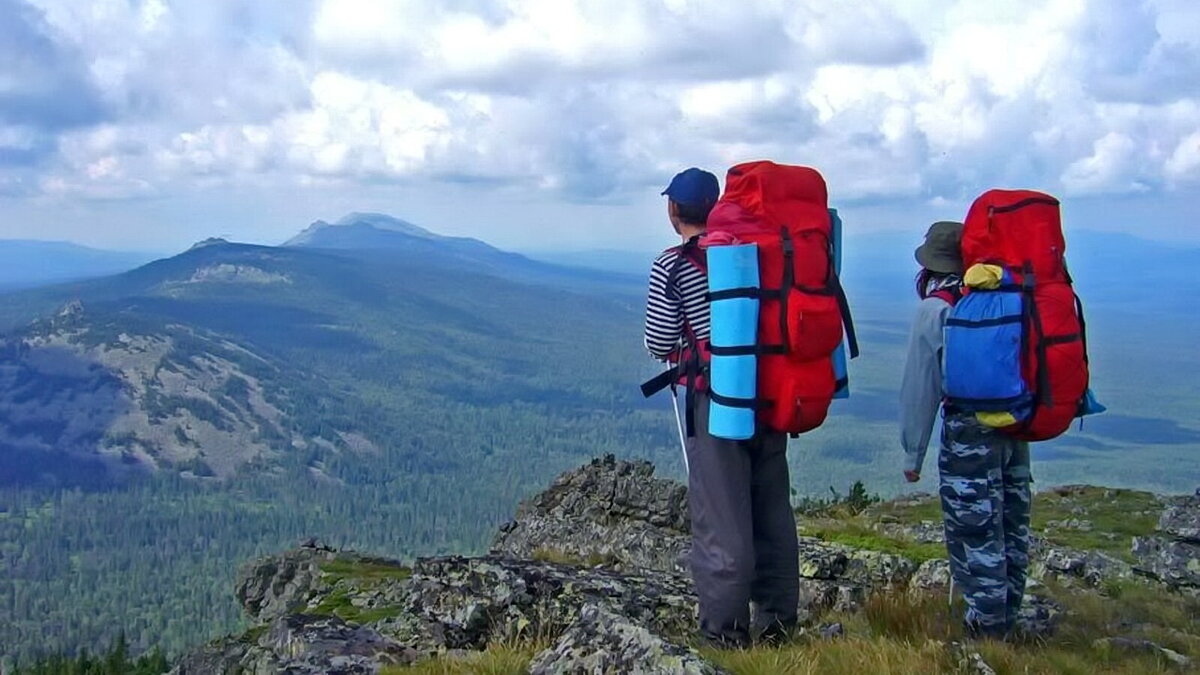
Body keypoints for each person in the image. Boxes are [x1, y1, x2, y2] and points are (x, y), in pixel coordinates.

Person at [644, 167, 799, 648]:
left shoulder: (673, 264)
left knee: (720, 518)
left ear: (673, 210)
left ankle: (724, 636)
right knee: (772, 510)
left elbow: (659, 341)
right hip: (769, 393)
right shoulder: (754, 256)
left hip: (715, 403)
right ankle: (776, 627)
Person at [899, 221, 1032, 639]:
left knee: (975, 533)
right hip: (1014, 426)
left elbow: (921, 388)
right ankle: (1007, 622)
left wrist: (912, 454)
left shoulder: (935, 307)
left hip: (966, 431)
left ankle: (986, 637)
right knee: (1011, 524)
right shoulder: (1005, 298)